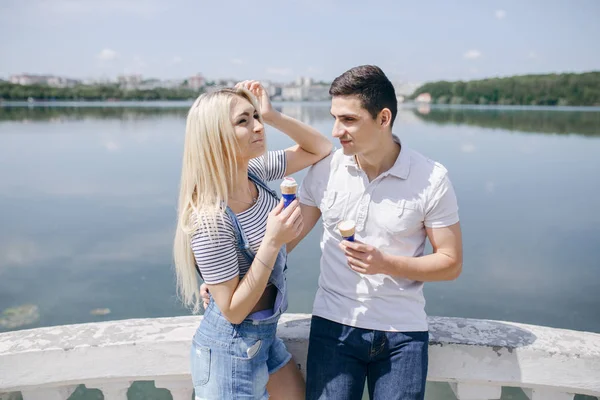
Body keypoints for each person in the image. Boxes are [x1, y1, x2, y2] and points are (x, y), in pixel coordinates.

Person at [201, 65, 462, 399]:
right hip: (333, 327)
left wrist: (385, 263)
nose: (337, 131)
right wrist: (231, 275)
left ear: (383, 118)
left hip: (404, 333)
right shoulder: (327, 169)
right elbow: (285, 241)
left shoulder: (431, 178)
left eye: (349, 120)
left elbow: (451, 263)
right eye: (334, 118)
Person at [173, 80, 332, 399]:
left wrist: (274, 115)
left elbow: (321, 148)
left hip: (266, 337)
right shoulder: (210, 218)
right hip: (229, 351)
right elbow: (232, 310)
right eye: (244, 121)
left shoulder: (254, 171)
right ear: (214, 135)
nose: (258, 127)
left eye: (256, 117)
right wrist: (273, 242)